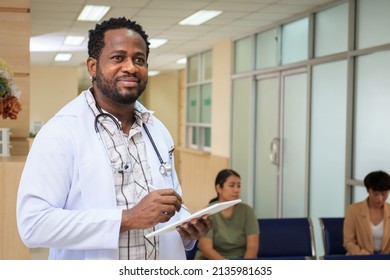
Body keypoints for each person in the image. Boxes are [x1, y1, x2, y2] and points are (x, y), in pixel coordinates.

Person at [16, 17, 211, 260]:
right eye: (118, 58)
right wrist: (128, 218)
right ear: (92, 66)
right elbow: (34, 225)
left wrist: (186, 230)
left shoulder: (157, 129)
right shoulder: (61, 131)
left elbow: (169, 207)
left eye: (139, 59)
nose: (130, 67)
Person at [195, 169, 259, 259]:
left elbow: (252, 246)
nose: (236, 190)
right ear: (219, 188)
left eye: (239, 186)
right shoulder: (208, 212)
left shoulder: (247, 211)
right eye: (232, 186)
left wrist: (245, 268)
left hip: (239, 262)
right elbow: (206, 249)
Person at [343, 170, 390, 255]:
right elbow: (348, 242)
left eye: (384, 194)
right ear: (368, 191)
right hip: (360, 257)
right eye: (376, 194)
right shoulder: (353, 210)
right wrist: (366, 257)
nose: (380, 199)